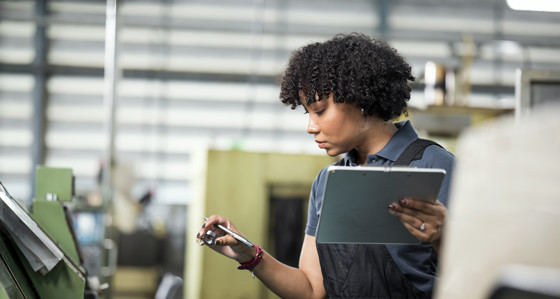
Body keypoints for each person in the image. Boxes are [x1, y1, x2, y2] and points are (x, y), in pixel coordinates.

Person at [196, 32, 455, 299]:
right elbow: (312, 290)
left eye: (319, 111)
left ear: (360, 100)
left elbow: (480, 279)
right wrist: (249, 253)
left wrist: (442, 237)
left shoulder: (436, 166)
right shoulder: (327, 181)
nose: (310, 127)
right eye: (307, 113)